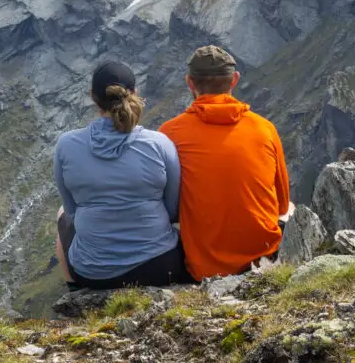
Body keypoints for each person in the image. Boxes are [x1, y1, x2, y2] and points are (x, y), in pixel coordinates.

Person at [53, 61, 189, 289]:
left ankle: (75, 291)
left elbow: (72, 210)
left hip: (93, 273)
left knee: (61, 214)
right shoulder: (159, 144)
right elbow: (173, 209)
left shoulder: (66, 145)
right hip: (160, 266)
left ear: (93, 96)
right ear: (134, 93)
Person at [159, 46, 291, 280]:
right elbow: (281, 206)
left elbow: (165, 205)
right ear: (235, 80)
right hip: (263, 257)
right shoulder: (265, 128)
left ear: (190, 82)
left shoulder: (169, 133)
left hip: (203, 269)